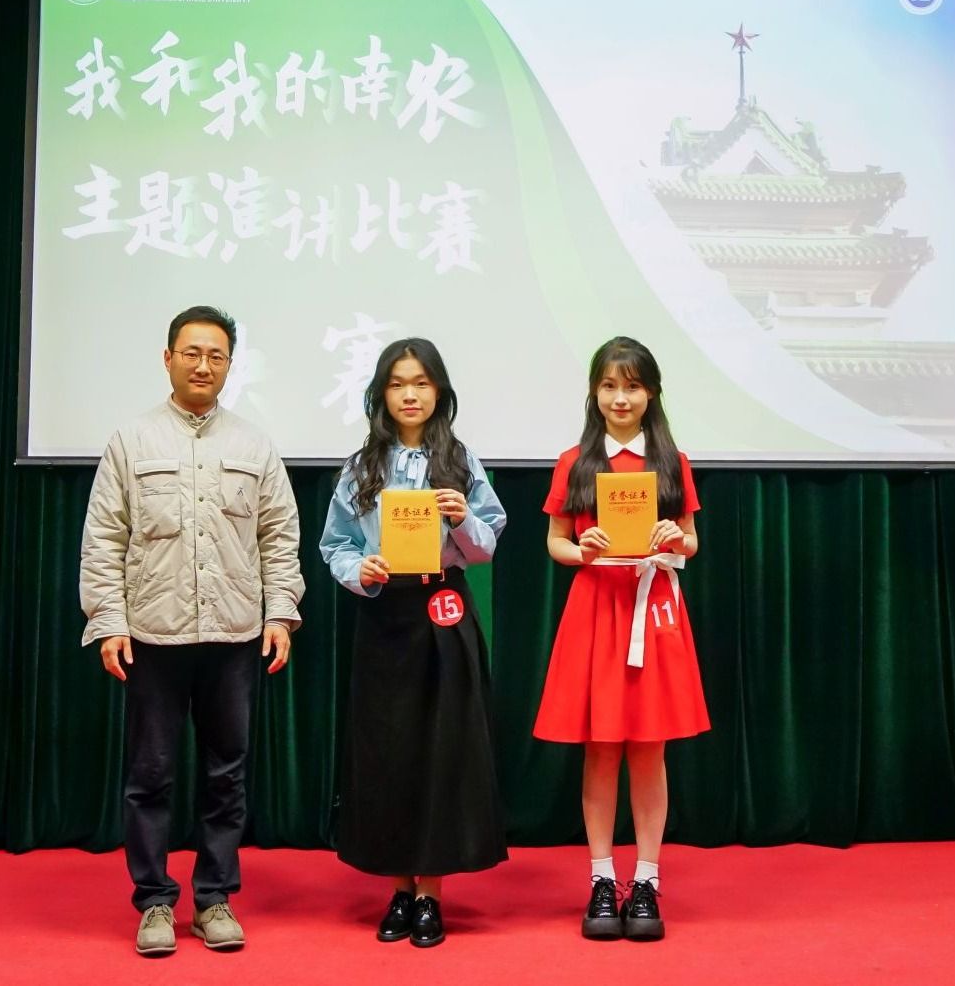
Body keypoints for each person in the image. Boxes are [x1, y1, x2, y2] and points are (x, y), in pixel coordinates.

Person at [78, 305, 305, 958]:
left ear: (229, 365)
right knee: (149, 775)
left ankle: (213, 899)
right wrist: (109, 621)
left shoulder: (254, 445)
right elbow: (104, 538)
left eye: (217, 356)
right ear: (168, 358)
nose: (204, 365)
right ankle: (153, 900)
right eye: (192, 353)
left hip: (234, 636)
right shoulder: (131, 441)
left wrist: (280, 614)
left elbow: (279, 537)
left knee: (226, 775)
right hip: (153, 636)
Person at [319, 338, 509, 948]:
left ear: (439, 392)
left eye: (421, 383)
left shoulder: (461, 460)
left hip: (442, 611)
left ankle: (431, 893)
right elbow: (334, 545)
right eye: (398, 383)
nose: (410, 394)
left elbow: (487, 544)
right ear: (381, 393)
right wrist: (360, 570)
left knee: (442, 750)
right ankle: (399, 889)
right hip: (385, 616)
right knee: (389, 753)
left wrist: (460, 517)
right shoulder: (360, 466)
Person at [533, 336, 707, 942]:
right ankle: (603, 878)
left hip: (652, 610)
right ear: (594, 392)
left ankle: (648, 879)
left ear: (651, 392)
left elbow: (691, 540)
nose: (620, 398)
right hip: (596, 609)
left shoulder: (672, 461)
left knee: (649, 748)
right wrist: (580, 550)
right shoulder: (575, 461)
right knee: (601, 748)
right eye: (609, 385)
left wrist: (675, 539)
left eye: (632, 386)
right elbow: (555, 542)